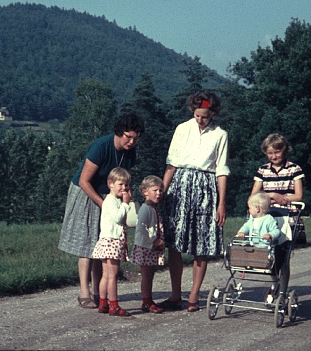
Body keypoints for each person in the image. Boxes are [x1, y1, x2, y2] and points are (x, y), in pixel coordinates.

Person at [58, 113, 145, 309]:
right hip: (86, 192)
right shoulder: (101, 146)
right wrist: (103, 204)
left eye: (135, 138)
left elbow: (124, 178)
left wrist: (125, 199)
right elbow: (84, 180)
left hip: (109, 195)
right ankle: (84, 293)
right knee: (86, 241)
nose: (131, 142)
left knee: (103, 240)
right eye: (127, 136)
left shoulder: (129, 152)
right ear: (119, 132)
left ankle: (100, 292)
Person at [160, 91, 230, 312]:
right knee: (175, 242)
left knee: (202, 242)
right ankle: (175, 294)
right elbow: (171, 163)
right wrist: (162, 191)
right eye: (197, 115)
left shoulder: (220, 134)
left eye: (205, 117)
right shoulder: (182, 129)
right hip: (180, 184)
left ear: (213, 114)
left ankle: (193, 295)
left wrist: (221, 203)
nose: (200, 120)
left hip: (206, 187)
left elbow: (222, 170)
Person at [251, 133, 305, 302]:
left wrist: (284, 198)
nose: (273, 156)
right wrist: (273, 195)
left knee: (283, 258)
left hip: (288, 218)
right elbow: (254, 195)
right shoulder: (263, 170)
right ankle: (274, 283)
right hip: (268, 217)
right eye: (270, 153)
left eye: (277, 152)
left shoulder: (294, 169)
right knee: (267, 255)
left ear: (284, 150)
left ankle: (282, 291)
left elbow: (298, 196)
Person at [91, 167, 138, 316]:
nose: (124, 188)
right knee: (112, 276)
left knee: (106, 274)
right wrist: (126, 203)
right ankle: (113, 305)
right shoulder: (111, 201)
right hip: (112, 241)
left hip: (108, 241)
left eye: (127, 185)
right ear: (110, 183)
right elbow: (119, 218)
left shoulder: (113, 201)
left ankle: (103, 303)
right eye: (121, 185)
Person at [130, 175, 166, 314]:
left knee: (150, 275)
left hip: (150, 247)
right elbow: (141, 229)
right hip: (145, 247)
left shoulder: (153, 208)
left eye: (161, 191)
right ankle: (146, 301)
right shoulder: (145, 209)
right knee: (146, 275)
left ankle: (148, 299)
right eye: (155, 190)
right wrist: (153, 240)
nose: (159, 194)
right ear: (145, 191)